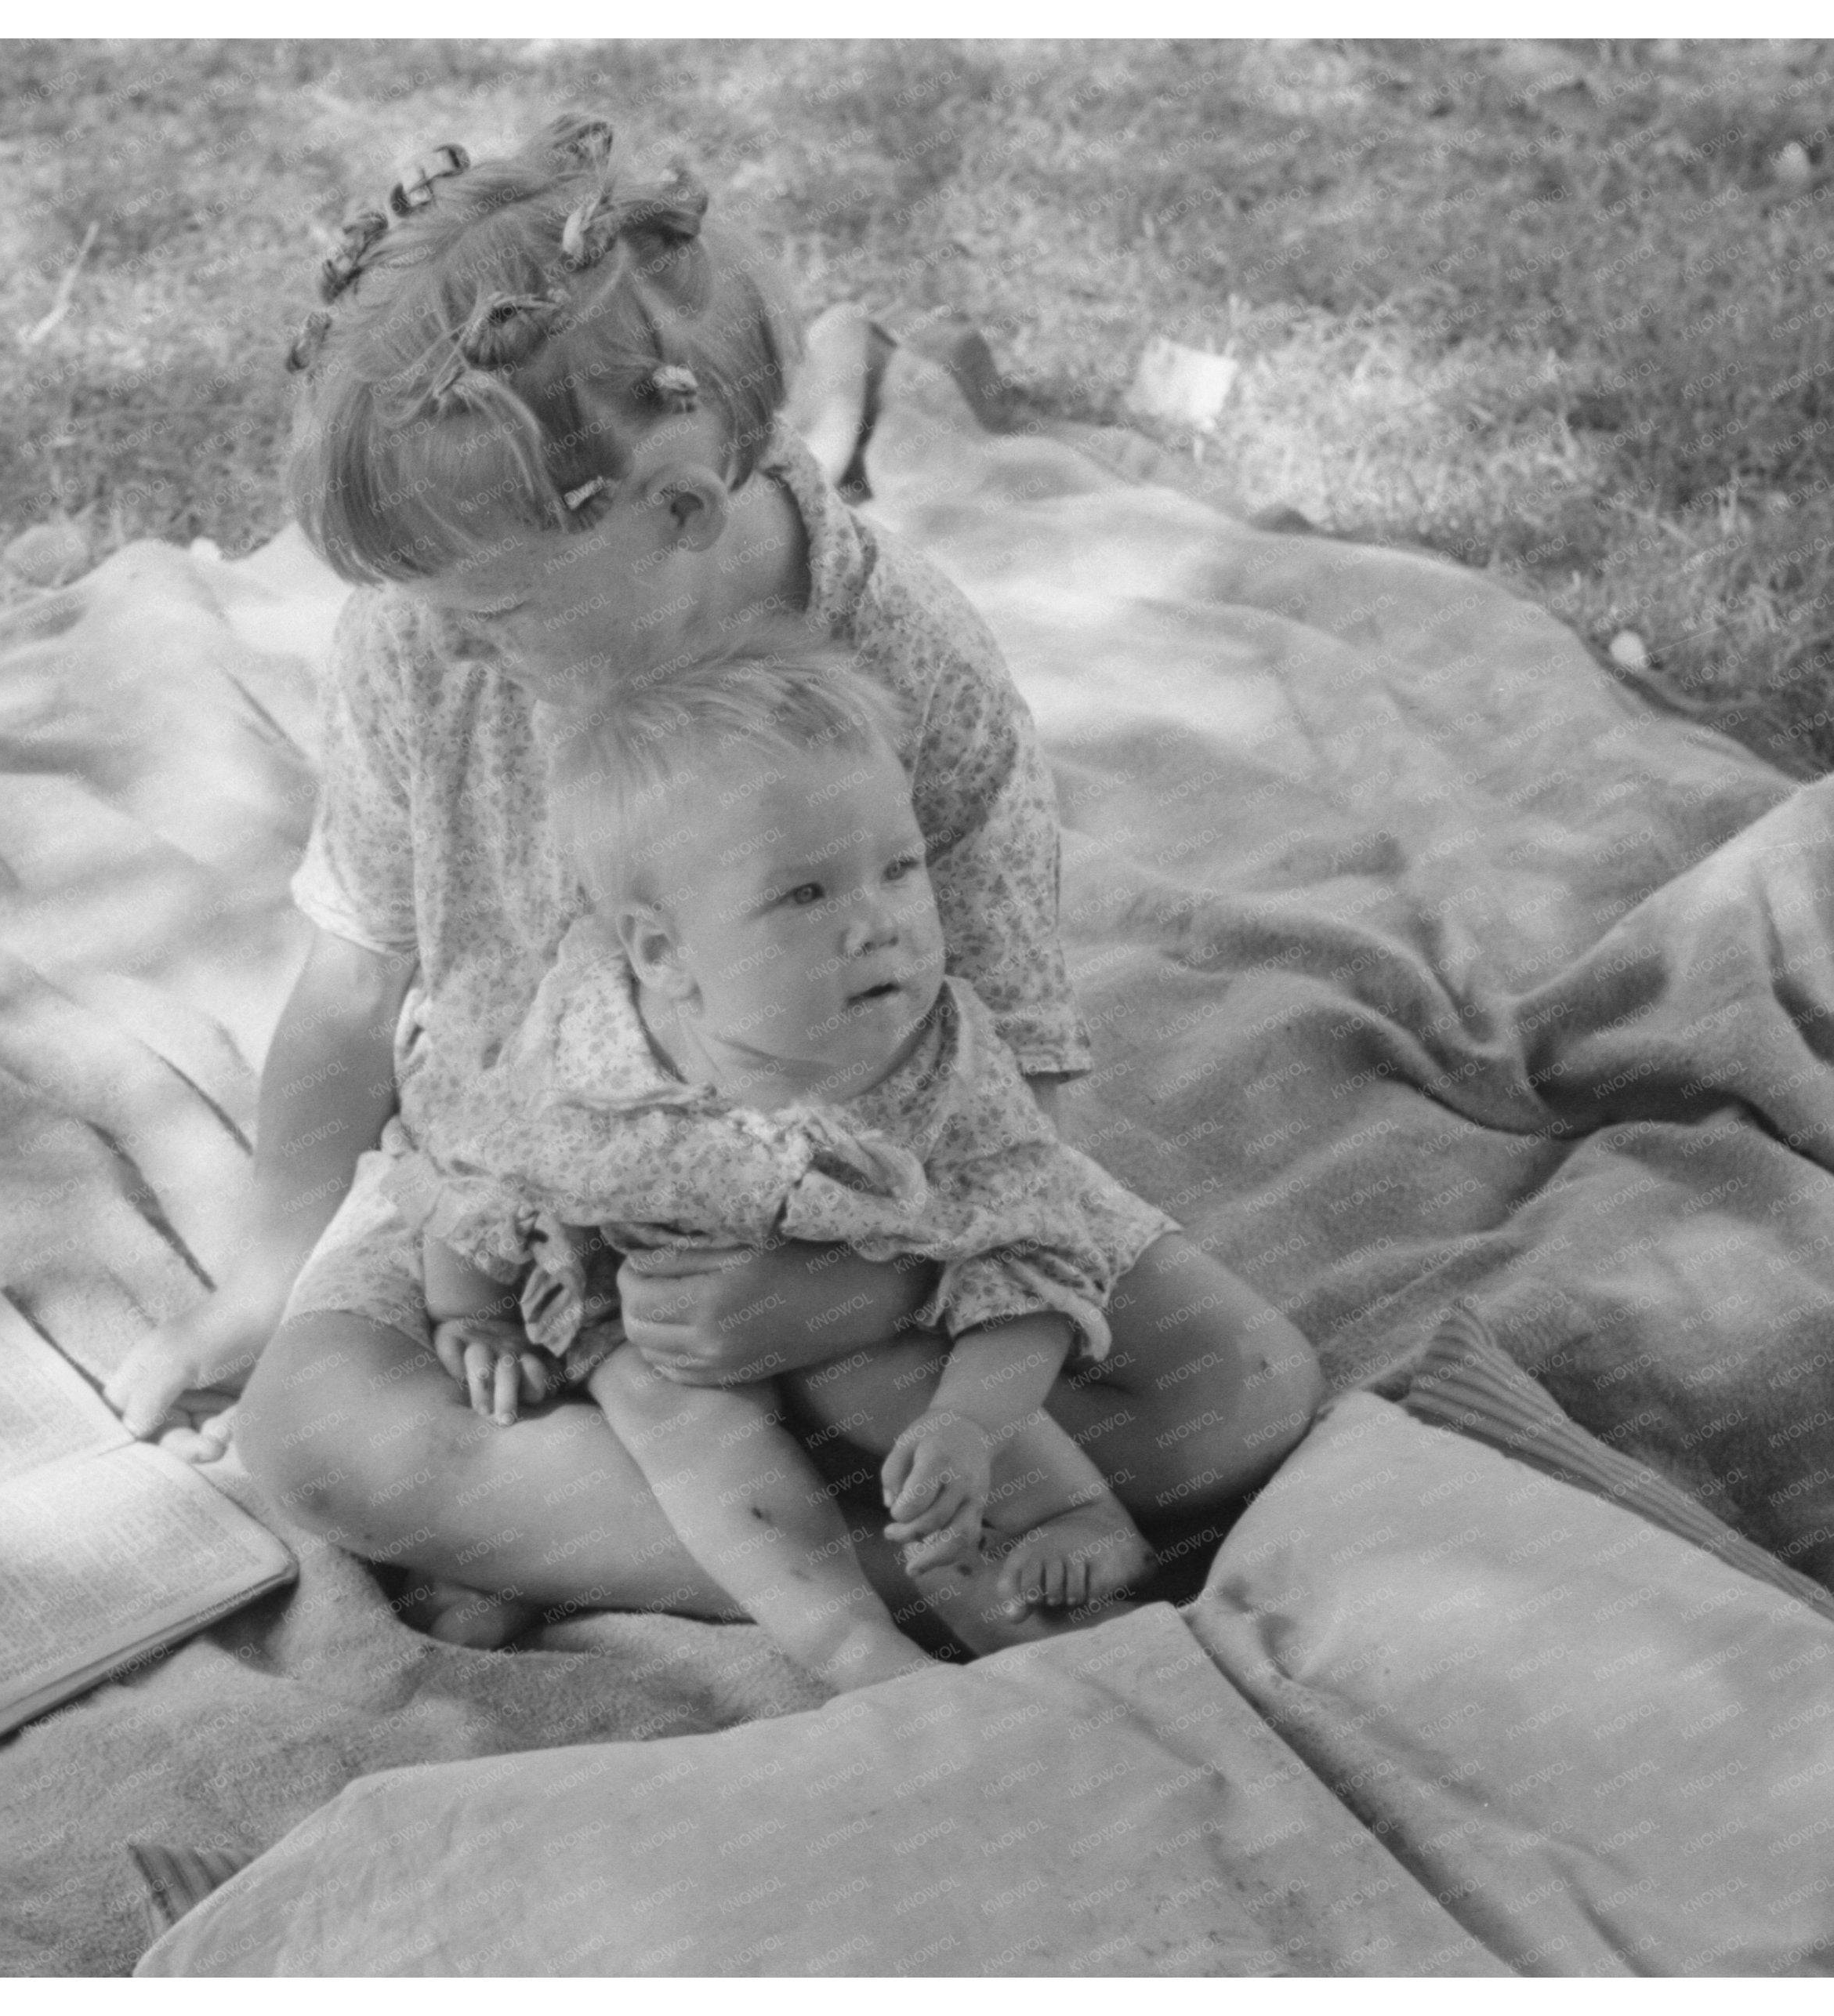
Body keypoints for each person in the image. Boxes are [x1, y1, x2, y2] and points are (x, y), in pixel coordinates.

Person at [102, 111, 1321, 1652]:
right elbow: (357, 979)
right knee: (311, 1431)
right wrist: (260, 1276)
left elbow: (1022, 1050)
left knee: (1257, 1388)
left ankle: (739, 1519)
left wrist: (860, 1298)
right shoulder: (417, 644)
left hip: (895, 1177)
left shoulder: (906, 656)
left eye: (491, 604)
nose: (450, 638)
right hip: (543, 1191)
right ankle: (900, 1559)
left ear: (674, 508)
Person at [390, 638, 1163, 1692]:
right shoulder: (593, 1053)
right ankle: (842, 1640)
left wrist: (966, 1421)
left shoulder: (937, 1056)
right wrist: (469, 1312)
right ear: (662, 953)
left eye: (898, 868)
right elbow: (484, 1157)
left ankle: (1074, 1529)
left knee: (909, 1392)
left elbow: (1031, 1245)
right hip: (660, 1300)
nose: (876, 924)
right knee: (675, 1419)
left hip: (871, 1299)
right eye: (803, 895)